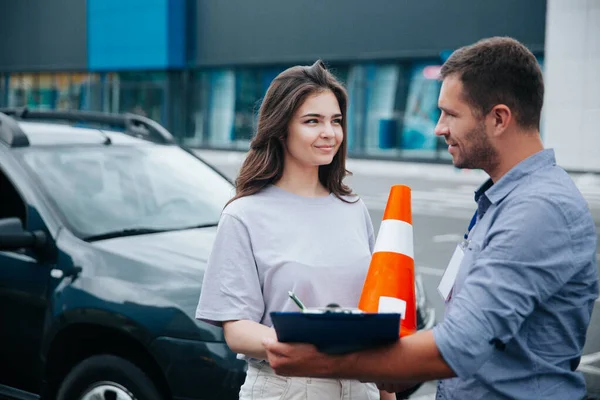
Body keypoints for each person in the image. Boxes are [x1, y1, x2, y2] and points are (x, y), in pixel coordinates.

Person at [262, 37, 600, 400]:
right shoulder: (505, 199)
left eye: (450, 114)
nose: (438, 128)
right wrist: (397, 369)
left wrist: (326, 363)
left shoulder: (538, 210)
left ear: (499, 118)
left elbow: (458, 346)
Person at [195, 60, 395, 400]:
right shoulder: (244, 215)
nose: (329, 133)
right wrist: (304, 345)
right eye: (312, 121)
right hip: (288, 385)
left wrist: (386, 392)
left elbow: (372, 308)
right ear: (281, 128)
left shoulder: (353, 208)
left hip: (361, 385)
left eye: (335, 121)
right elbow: (236, 328)